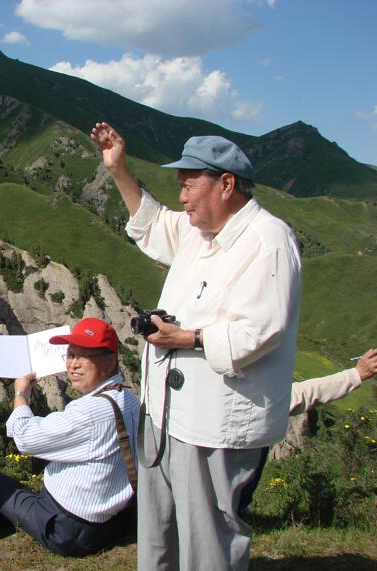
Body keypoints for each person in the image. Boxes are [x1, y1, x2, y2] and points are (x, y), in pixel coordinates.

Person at [91, 123, 302, 570]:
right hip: (168, 414)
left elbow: (262, 330)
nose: (181, 197)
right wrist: (119, 170)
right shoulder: (200, 232)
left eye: (189, 185)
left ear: (225, 184)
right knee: (159, 532)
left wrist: (185, 338)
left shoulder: (268, 241)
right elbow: (152, 224)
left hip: (215, 424)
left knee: (208, 541)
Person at [0, 317, 140, 557]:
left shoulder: (90, 413)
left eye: (84, 356)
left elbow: (24, 438)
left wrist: (21, 394)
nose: (73, 364)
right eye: (70, 354)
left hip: (68, 528)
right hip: (115, 520)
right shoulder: (128, 399)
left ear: (110, 362)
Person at [239, 348, 377, 511]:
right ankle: (235, 508)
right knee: (259, 440)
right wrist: (357, 374)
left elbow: (302, 394)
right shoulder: (252, 400)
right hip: (221, 501)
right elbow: (304, 394)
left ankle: (235, 508)